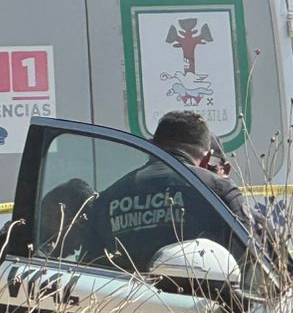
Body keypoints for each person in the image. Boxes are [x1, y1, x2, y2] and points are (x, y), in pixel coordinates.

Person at [84, 110, 257, 273]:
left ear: (151, 148)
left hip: (121, 303)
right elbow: (249, 258)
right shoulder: (217, 190)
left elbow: (90, 270)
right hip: (198, 302)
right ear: (206, 157)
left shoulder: (107, 198)